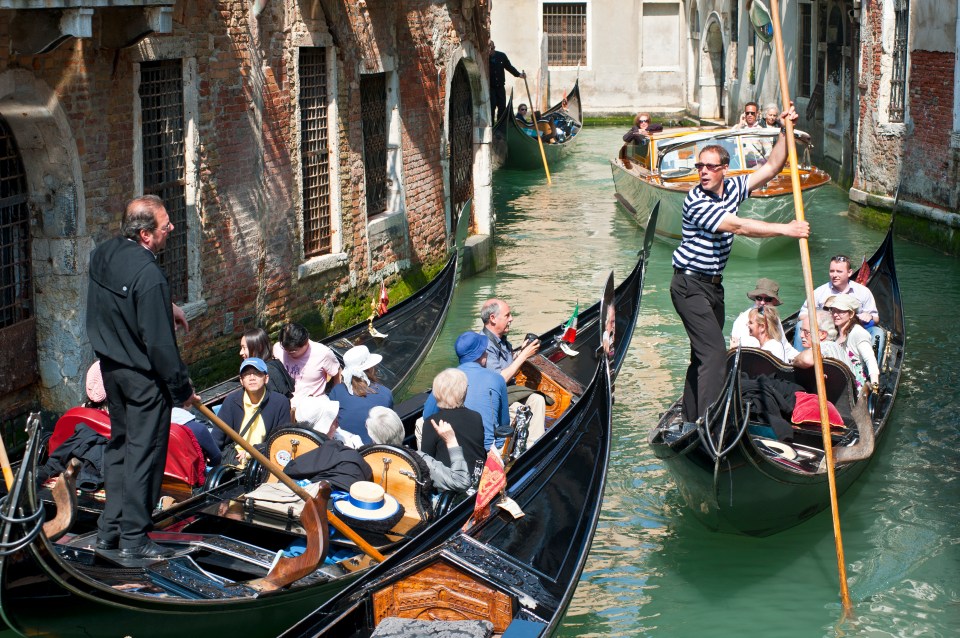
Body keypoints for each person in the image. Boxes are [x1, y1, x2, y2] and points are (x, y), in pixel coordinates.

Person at [671, 104, 810, 423]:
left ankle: (691, 418)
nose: (703, 172)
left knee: (702, 357)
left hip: (712, 289)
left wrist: (784, 131)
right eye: (699, 167)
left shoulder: (733, 188)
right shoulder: (697, 200)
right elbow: (738, 226)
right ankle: (710, 423)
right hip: (688, 286)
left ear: (724, 168)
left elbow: (774, 166)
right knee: (715, 354)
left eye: (709, 166)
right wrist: (786, 229)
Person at [86, 194, 199, 559]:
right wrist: (182, 390)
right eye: (164, 225)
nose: (170, 229)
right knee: (144, 454)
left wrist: (164, 305)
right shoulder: (150, 275)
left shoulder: (104, 254)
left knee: (119, 446)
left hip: (111, 372)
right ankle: (134, 538)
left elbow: (123, 297)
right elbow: (162, 348)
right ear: (146, 235)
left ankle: (108, 532)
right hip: (142, 380)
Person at [423, 331, 509, 451]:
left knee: (419, 423)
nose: (487, 353)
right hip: (486, 450)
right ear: (480, 355)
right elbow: (504, 423)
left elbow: (427, 415)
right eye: (485, 350)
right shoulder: (497, 378)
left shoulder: (445, 378)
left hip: (451, 448)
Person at [480, 298, 546, 443]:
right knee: (521, 409)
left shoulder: (501, 340)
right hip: (496, 397)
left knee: (538, 399)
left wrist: (519, 352)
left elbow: (505, 363)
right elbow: (499, 379)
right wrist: (523, 356)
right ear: (493, 318)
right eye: (507, 315)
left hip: (509, 391)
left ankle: (533, 444)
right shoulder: (485, 344)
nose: (511, 318)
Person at [366, 407, 472, 493]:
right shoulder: (420, 461)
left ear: (373, 438)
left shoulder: (365, 461)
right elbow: (461, 482)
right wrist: (451, 441)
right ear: (401, 428)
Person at [214, 357, 292, 467]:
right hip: (234, 459)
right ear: (241, 381)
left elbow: (282, 439)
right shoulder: (231, 401)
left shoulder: (280, 402)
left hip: (265, 459)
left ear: (266, 378)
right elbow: (218, 435)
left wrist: (252, 452)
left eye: (257, 373)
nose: (252, 378)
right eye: (247, 374)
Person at [418, 368, 485, 484]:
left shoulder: (431, 423)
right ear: (464, 392)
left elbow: (426, 461)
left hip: (450, 484)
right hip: (478, 478)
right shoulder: (476, 417)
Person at [327, 345, 394, 446]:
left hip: (348, 450)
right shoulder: (385, 393)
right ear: (370, 368)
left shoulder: (336, 392)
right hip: (378, 449)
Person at [272, 322, 341, 410]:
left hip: (313, 408)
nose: (289, 353)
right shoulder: (278, 349)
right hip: (286, 406)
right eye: (286, 350)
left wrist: (335, 399)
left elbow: (337, 373)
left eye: (293, 351)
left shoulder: (323, 353)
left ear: (306, 342)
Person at [798, 254, 879, 326]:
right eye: (832, 271)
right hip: (826, 330)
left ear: (849, 273)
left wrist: (869, 316)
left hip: (853, 329)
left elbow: (875, 319)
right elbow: (802, 315)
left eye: (839, 272)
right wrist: (820, 316)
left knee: (877, 331)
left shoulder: (863, 291)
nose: (834, 275)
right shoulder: (819, 292)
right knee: (800, 325)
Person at [729, 278, 796, 360]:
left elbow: (786, 347)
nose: (762, 302)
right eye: (759, 298)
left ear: (774, 301)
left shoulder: (774, 318)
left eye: (767, 299)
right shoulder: (743, 321)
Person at [825, 294, 880, 391]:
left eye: (840, 311)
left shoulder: (858, 333)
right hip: (836, 380)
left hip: (854, 385)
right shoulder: (834, 332)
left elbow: (870, 359)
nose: (835, 314)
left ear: (851, 314)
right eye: (833, 310)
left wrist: (875, 386)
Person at [239, 327, 294, 398]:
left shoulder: (268, 371)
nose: (241, 352)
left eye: (244, 348)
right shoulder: (274, 362)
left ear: (258, 347)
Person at [489, 41, 525, 123]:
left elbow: (509, 67)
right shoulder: (484, 58)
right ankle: (491, 128)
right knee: (492, 106)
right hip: (490, 88)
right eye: (488, 49)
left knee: (502, 107)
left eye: (491, 48)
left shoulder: (501, 56)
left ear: (494, 47)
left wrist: (519, 74)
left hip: (500, 87)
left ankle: (500, 126)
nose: (489, 51)